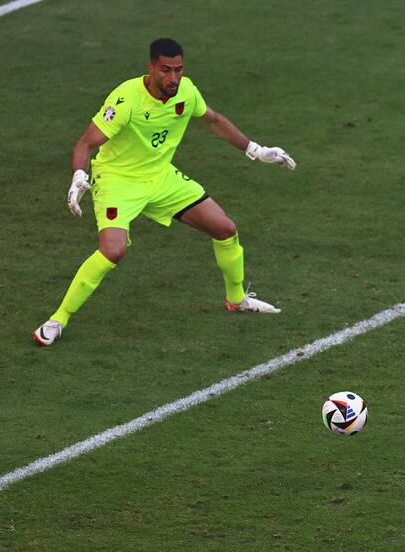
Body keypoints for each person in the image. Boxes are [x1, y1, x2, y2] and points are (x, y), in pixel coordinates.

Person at [34, 38, 295, 347]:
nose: (173, 78)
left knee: (225, 229)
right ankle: (58, 319)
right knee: (113, 251)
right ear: (151, 68)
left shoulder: (185, 91)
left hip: (160, 178)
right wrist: (79, 176)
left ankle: (236, 299)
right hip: (119, 180)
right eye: (166, 70)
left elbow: (213, 120)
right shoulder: (126, 99)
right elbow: (86, 143)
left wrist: (256, 150)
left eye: (179, 70)